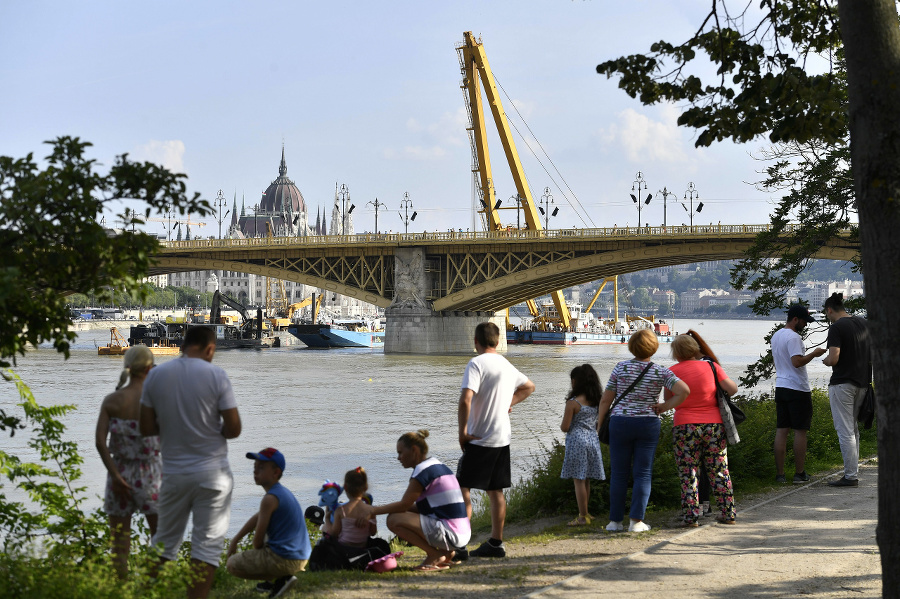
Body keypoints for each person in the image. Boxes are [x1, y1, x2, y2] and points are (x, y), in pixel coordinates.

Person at [140, 326, 242, 599]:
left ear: (185, 345)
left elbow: (147, 427)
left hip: (173, 473)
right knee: (206, 547)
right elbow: (233, 429)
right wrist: (212, 431)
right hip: (213, 473)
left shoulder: (156, 375)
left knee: (163, 543)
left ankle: (145, 594)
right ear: (210, 348)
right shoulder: (217, 375)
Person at [456, 322, 535, 558]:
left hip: (479, 437)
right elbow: (529, 387)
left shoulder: (476, 363)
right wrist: (508, 403)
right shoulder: (506, 365)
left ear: (476, 342)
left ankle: (460, 544)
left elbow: (465, 400)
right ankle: (496, 542)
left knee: (462, 487)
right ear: (498, 341)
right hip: (502, 437)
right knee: (495, 490)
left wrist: (462, 432)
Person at [598, 329, 689, 532]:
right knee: (643, 473)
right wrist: (665, 407)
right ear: (654, 347)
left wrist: (600, 422)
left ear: (631, 347)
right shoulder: (660, 371)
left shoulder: (620, 368)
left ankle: (614, 522)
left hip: (620, 423)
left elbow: (606, 399)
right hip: (647, 423)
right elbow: (684, 391)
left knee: (619, 473)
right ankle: (636, 522)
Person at [95, 345, 161, 578]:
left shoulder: (112, 400)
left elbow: (100, 442)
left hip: (119, 473)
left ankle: (122, 589)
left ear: (128, 367)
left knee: (120, 545)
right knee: (159, 539)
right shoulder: (157, 401)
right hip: (151, 475)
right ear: (150, 369)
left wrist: (115, 475)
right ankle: (153, 588)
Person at [364, 430, 471, 571]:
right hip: (461, 533)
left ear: (414, 450)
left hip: (451, 534)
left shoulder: (422, 471)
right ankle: (446, 553)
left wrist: (372, 510)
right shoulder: (437, 465)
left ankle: (434, 554)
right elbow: (421, 508)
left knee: (393, 519)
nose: (398, 458)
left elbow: (404, 505)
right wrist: (385, 508)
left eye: (401, 452)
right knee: (398, 513)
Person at [663, 331, 739, 526]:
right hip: (713, 425)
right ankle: (728, 513)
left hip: (684, 426)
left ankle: (691, 517)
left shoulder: (671, 372)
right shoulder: (711, 367)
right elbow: (732, 389)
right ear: (695, 349)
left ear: (676, 353)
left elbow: (667, 401)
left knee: (688, 472)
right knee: (719, 469)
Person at [226, 448, 311, 599]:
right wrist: (236, 539)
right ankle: (276, 581)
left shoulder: (269, 499)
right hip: (301, 557)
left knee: (232, 564)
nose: (255, 471)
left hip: (286, 561)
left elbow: (257, 543)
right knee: (271, 531)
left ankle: (279, 580)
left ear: (276, 472)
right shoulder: (282, 493)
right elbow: (259, 516)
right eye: (254, 467)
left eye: (261, 468)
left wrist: (254, 549)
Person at [771, 305, 827, 484]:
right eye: (804, 321)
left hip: (781, 385)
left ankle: (780, 475)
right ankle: (799, 473)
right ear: (795, 319)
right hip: (797, 388)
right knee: (800, 431)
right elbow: (797, 362)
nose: (806, 325)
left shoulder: (777, 335)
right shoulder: (794, 337)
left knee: (781, 430)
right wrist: (814, 354)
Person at [822, 293, 871, 487]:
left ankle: (850, 476)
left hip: (843, 383)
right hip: (863, 383)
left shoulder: (837, 327)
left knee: (845, 431)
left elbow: (833, 358)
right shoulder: (864, 324)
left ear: (829, 310)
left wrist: (826, 360)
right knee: (853, 430)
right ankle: (853, 472)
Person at [559, 364, 606, 526]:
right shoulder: (597, 401)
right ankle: (587, 513)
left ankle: (582, 516)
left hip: (577, 441)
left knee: (578, 480)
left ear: (575, 382)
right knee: (586, 479)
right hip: (592, 440)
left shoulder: (573, 403)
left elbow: (565, 427)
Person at [331, 467, 377, 548]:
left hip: (344, 549)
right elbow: (373, 532)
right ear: (365, 487)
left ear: (345, 487)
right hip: (363, 547)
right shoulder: (370, 510)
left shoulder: (340, 510)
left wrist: (327, 520)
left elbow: (334, 534)